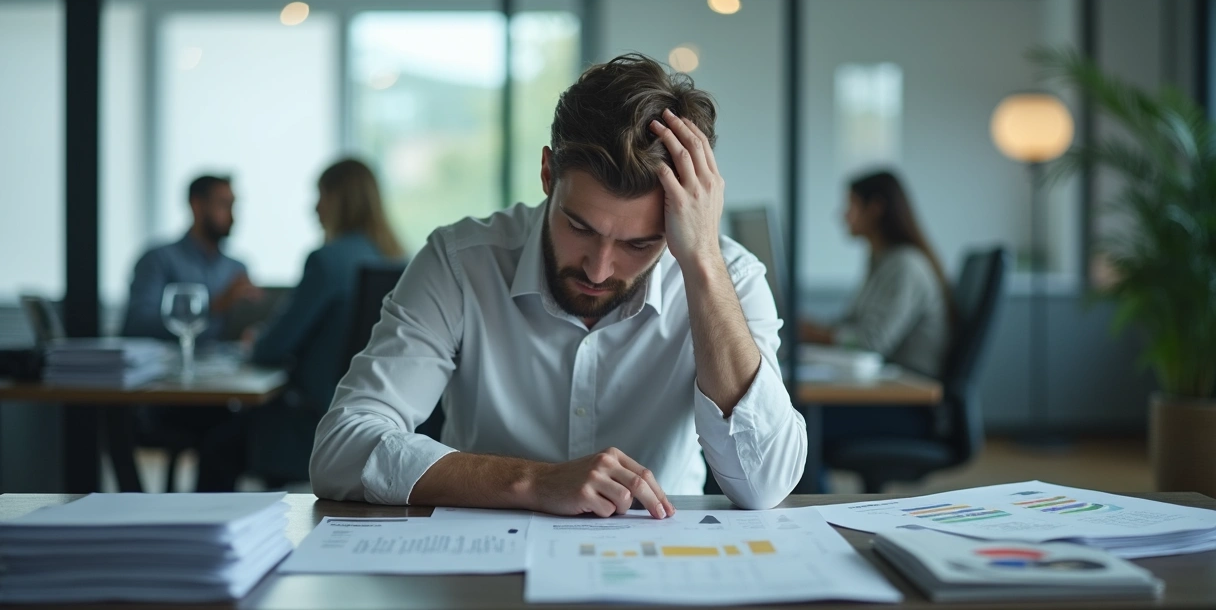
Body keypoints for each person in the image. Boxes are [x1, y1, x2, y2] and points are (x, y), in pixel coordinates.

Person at [310, 53, 808, 517]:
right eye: (579, 227)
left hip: (660, 556)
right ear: (548, 173)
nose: (599, 270)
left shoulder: (729, 277)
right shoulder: (460, 263)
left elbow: (763, 484)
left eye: (639, 244)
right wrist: (533, 482)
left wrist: (703, 264)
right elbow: (341, 448)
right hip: (486, 559)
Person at [195, 158, 405, 491]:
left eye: (320, 196)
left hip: (312, 424)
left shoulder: (326, 261)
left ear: (339, 200)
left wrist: (257, 340)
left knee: (216, 445)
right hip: (376, 424)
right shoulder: (397, 261)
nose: (315, 207)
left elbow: (272, 348)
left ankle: (208, 525)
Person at [799, 170, 953, 472]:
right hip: (884, 392)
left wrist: (816, 334)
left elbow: (871, 341)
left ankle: (812, 497)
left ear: (876, 208)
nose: (843, 215)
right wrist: (814, 330)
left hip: (906, 407)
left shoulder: (905, 266)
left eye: (851, 205)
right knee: (798, 417)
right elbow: (852, 324)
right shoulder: (880, 261)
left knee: (799, 424)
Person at [121, 174, 262, 341]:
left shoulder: (237, 268)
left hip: (225, 357)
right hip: (170, 357)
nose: (232, 217)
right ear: (197, 205)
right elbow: (137, 325)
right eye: (223, 205)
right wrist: (215, 306)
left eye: (232, 206)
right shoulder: (158, 259)